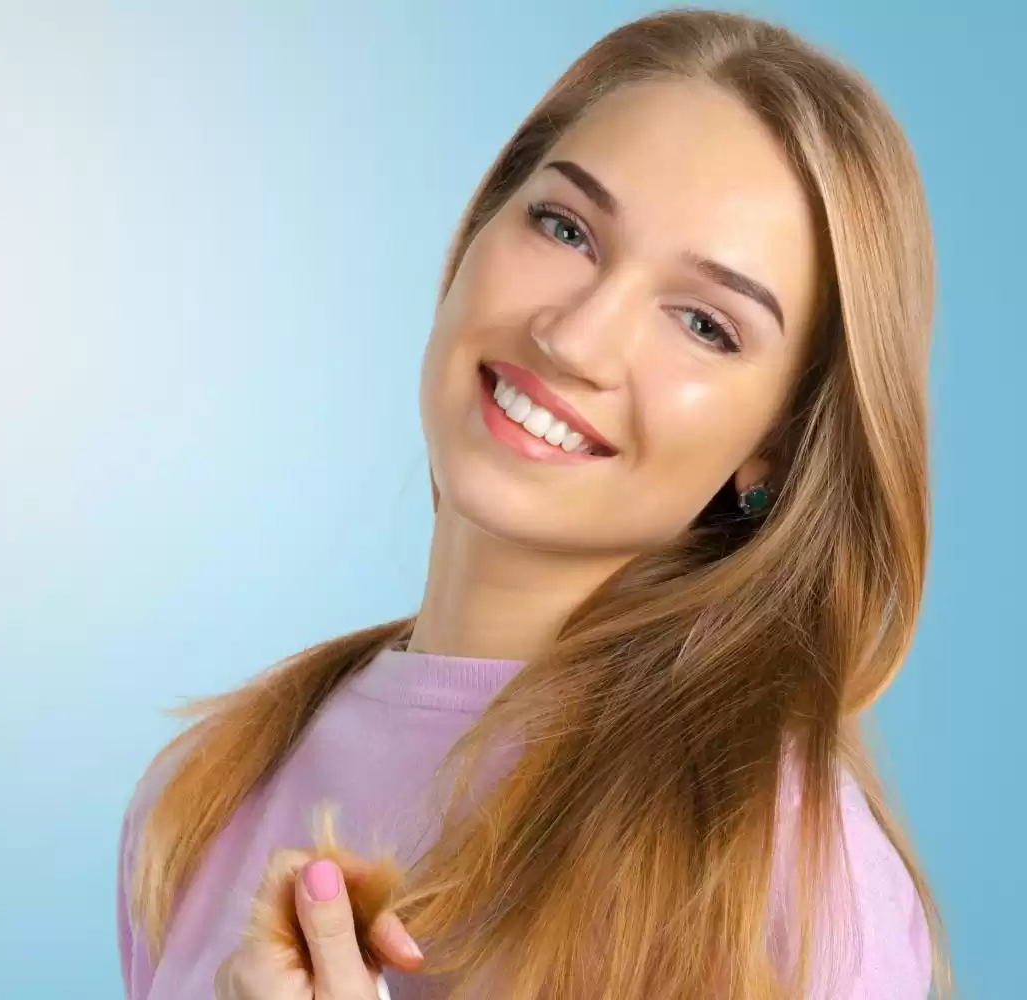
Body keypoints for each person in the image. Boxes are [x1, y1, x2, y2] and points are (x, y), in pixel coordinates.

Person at [116, 8, 952, 999]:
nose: (575, 338)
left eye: (703, 323)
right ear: (479, 229)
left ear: (773, 447)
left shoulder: (796, 887)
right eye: (566, 229)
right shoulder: (204, 797)